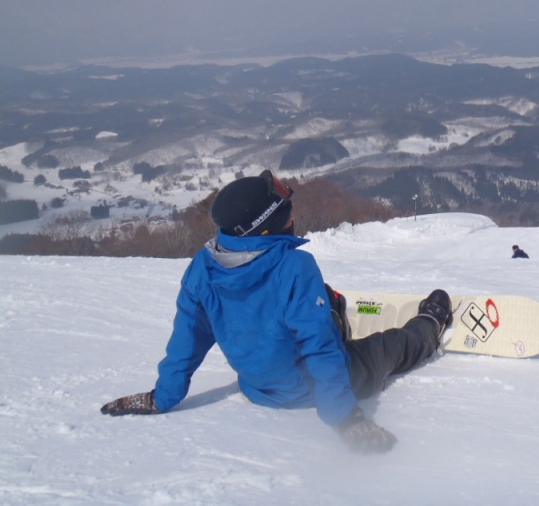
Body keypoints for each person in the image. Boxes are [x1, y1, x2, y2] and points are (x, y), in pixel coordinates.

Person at [99, 170, 452, 454]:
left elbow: (187, 339)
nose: (294, 214)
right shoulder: (295, 266)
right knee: (388, 347)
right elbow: (320, 349)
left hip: (258, 388)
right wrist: (347, 420)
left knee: (318, 305)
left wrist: (162, 397)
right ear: (269, 223)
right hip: (308, 391)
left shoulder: (202, 266)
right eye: (287, 211)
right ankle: (430, 324)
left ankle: (330, 308)